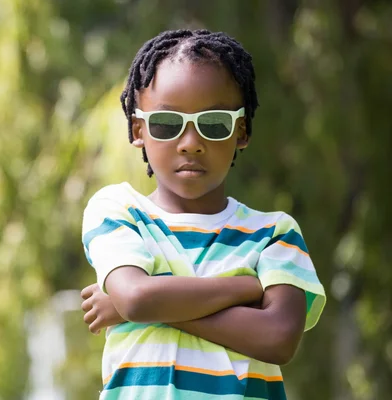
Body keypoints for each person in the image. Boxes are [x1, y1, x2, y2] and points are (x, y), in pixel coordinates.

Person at [80, 29, 326, 400]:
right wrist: (246, 288)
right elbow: (136, 298)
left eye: (213, 124)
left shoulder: (274, 233)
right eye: (167, 123)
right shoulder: (119, 211)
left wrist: (146, 304)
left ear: (241, 131)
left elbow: (277, 339)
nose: (191, 143)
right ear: (138, 130)